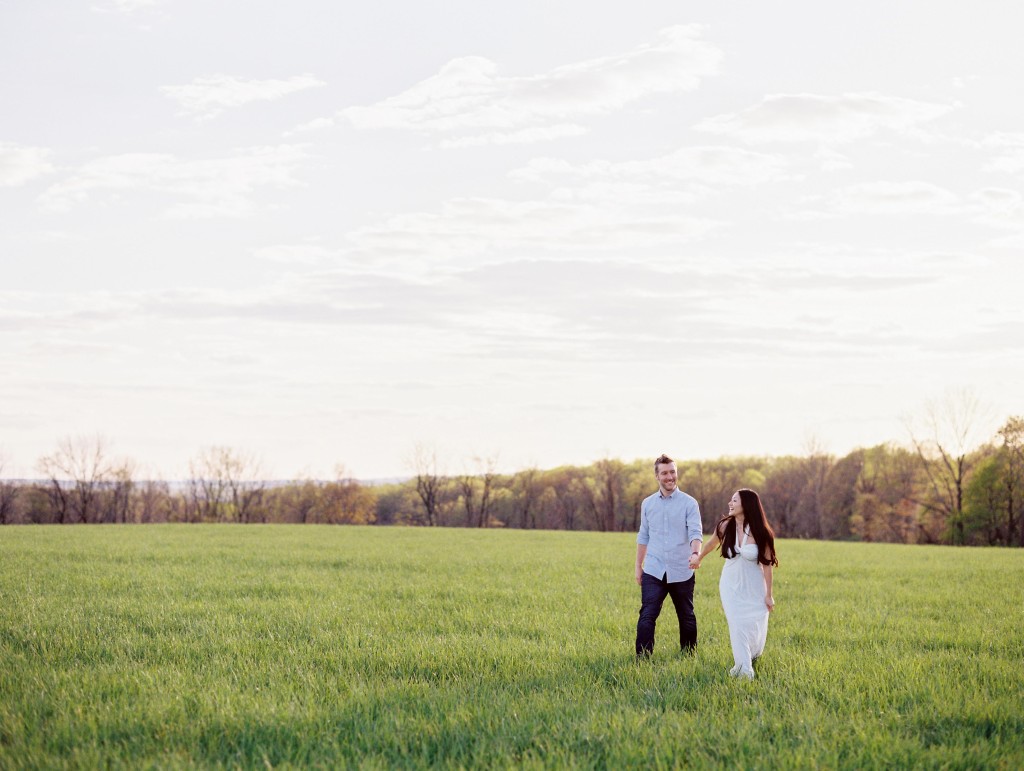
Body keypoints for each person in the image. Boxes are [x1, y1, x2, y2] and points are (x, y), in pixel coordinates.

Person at [690, 488, 778, 679]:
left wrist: (769, 594)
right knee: (737, 623)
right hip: (730, 585)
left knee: (754, 624)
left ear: (746, 505)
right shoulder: (725, 526)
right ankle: (744, 668)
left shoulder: (762, 532)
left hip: (754, 586)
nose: (730, 504)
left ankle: (752, 654)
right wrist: (699, 558)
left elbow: (768, 566)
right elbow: (711, 543)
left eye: (734, 501)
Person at [634, 454, 704, 658]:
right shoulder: (647, 504)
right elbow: (643, 535)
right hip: (654, 570)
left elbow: (695, 532)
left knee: (687, 616)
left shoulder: (689, 503)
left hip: (682, 569)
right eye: (664, 473)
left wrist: (695, 553)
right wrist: (639, 566)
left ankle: (689, 656)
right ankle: (643, 659)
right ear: (657, 476)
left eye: (672, 472)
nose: (670, 476)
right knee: (647, 615)